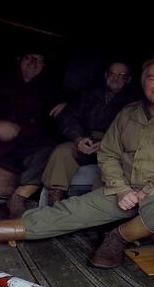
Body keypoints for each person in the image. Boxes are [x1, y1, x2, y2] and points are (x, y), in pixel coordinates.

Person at [0, 55, 154, 269]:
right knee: (70, 211)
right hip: (125, 190)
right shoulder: (128, 113)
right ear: (142, 81)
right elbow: (108, 154)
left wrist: (149, 190)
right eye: (152, 78)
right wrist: (119, 188)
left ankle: (118, 236)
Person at [42, 61, 136, 205]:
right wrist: (78, 138)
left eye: (121, 75)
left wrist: (108, 143)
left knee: (112, 164)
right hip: (85, 140)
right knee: (63, 151)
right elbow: (69, 117)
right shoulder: (89, 94)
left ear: (128, 79)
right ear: (105, 75)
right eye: (112, 73)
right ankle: (55, 204)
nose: (115, 78)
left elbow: (133, 131)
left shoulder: (134, 102)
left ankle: (93, 210)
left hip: (113, 146)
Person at [0, 51, 66, 218]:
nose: (33, 62)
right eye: (28, 57)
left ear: (44, 66)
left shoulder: (48, 89)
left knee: (51, 150)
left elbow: (79, 99)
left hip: (23, 148)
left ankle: (19, 197)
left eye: (39, 60)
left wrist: (66, 103)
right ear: (19, 60)